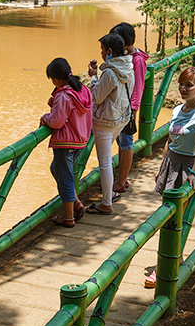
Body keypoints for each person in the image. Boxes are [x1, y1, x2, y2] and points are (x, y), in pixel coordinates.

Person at [151, 67, 195, 288]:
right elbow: (169, 141)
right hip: (171, 163)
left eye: (189, 85)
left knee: (177, 218)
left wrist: (194, 173)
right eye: (181, 84)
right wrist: (161, 167)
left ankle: (164, 266)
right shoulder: (177, 110)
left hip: (187, 166)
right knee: (167, 216)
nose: (184, 89)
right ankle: (173, 258)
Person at [40, 58, 93, 227]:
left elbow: (57, 121)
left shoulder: (63, 95)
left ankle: (69, 217)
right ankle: (76, 203)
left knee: (65, 178)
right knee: (57, 169)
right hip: (80, 139)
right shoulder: (81, 89)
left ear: (56, 79)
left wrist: (45, 118)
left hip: (66, 142)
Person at [86, 33, 134, 215]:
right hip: (121, 118)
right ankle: (109, 193)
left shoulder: (109, 72)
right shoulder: (129, 66)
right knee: (107, 160)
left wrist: (93, 77)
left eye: (102, 50)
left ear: (109, 51)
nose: (100, 53)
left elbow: (97, 97)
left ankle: (106, 202)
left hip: (105, 121)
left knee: (105, 163)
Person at [112, 22, 149, 196]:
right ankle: (122, 177)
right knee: (122, 143)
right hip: (122, 107)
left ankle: (120, 181)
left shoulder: (137, 60)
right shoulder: (128, 57)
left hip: (127, 109)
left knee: (126, 144)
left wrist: (133, 110)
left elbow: (139, 86)